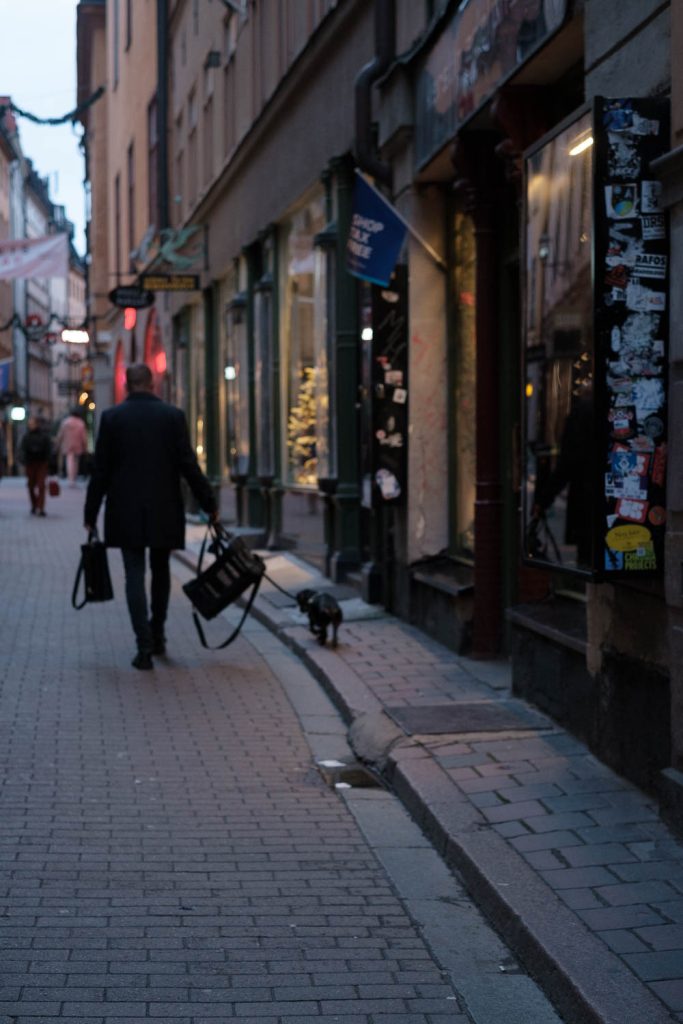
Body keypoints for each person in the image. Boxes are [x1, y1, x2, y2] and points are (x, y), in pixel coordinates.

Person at [84, 363, 218, 671]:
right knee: (161, 571)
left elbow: (100, 471)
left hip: (125, 508)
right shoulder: (172, 416)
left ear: (127, 385)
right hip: (164, 507)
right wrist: (208, 502)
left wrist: (90, 512)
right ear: (153, 382)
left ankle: (142, 646)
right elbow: (188, 465)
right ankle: (158, 634)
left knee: (134, 574)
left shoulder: (112, 418)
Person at [19, 415, 53, 516]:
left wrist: (48, 461)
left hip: (41, 463)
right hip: (30, 464)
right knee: (30, 486)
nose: (31, 425)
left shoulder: (44, 436)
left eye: (33, 423)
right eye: (30, 424)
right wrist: (24, 460)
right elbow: (22, 450)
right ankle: (34, 505)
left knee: (41, 486)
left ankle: (41, 507)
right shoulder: (26, 436)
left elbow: (49, 449)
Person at [56, 408, 88, 486]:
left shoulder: (65, 422)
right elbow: (84, 436)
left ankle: (71, 479)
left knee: (69, 461)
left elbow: (60, 434)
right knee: (76, 462)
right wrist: (85, 446)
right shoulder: (81, 423)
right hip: (78, 444)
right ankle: (74, 478)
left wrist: (58, 443)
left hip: (67, 444)